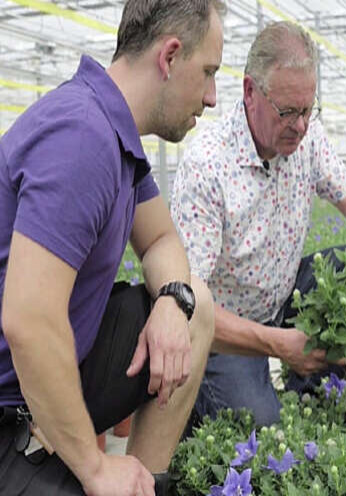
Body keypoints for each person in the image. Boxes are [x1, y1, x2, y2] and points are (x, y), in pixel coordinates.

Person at [0, 1, 224, 494]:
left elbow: (163, 238)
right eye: (208, 72)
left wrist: (171, 299)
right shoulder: (82, 135)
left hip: (52, 371)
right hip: (10, 403)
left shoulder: (116, 134)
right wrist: (97, 468)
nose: (211, 97)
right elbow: (28, 321)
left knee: (196, 305)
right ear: (169, 57)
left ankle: (140, 482)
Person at [171, 21, 346, 429]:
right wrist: (279, 345)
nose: (300, 125)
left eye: (307, 110)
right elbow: (190, 306)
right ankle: (198, 400)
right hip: (224, 330)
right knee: (262, 431)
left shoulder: (306, 138)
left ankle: (313, 383)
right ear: (250, 92)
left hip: (285, 299)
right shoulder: (207, 166)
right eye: (288, 112)